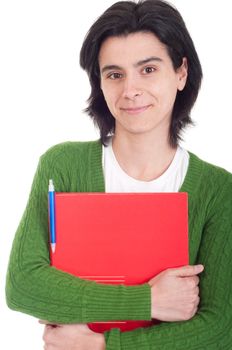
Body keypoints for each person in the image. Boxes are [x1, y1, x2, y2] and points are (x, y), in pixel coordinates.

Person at [5, 0, 232, 349]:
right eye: (114, 74)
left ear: (181, 72)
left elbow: (219, 329)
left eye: (148, 70)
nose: (130, 90)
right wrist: (148, 301)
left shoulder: (218, 190)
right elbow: (23, 285)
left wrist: (100, 345)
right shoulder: (62, 165)